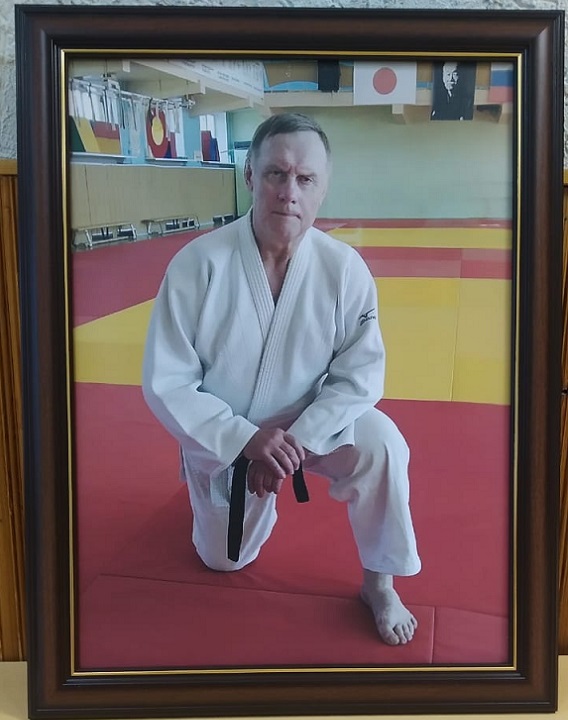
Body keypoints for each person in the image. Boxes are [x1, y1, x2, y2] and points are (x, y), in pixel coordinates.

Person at [142, 112, 421, 646]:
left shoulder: (344, 270)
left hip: (309, 426)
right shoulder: (197, 265)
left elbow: (360, 375)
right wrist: (247, 441)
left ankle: (379, 584)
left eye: (305, 178)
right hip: (228, 435)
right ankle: (223, 498)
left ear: (323, 187)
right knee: (224, 561)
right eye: (276, 173)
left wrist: (294, 444)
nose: (289, 192)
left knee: (383, 443)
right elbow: (167, 381)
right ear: (251, 175)